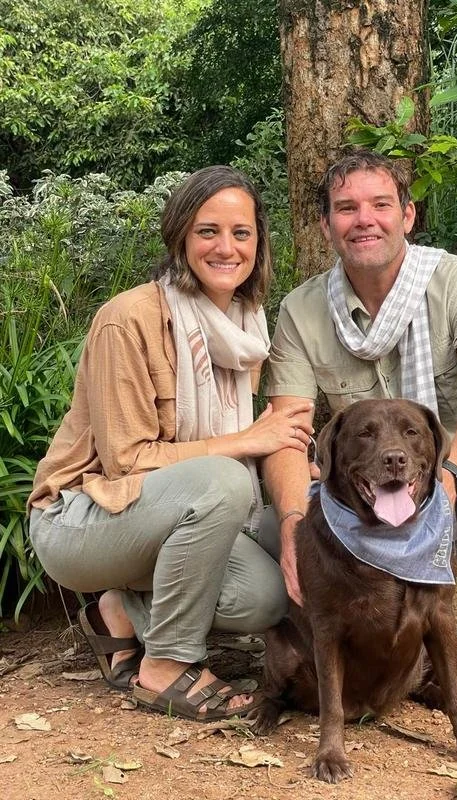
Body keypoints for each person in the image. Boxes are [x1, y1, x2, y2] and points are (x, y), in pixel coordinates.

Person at [262, 149, 457, 731]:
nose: (364, 219)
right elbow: (286, 431)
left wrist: (448, 477)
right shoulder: (302, 310)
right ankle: (351, 666)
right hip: (365, 498)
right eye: (346, 208)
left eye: (380, 204)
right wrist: (293, 520)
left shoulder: (455, 281)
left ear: (408, 214)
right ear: (325, 225)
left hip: (456, 481)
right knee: (266, 515)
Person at [27, 165, 313, 722]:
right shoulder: (129, 319)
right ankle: (165, 666)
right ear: (180, 235)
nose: (226, 247)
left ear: (259, 242)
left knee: (263, 597)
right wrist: (246, 441)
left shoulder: (247, 329)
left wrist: (284, 460)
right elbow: (127, 462)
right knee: (227, 477)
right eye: (208, 231)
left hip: (169, 515)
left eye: (241, 232)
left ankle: (123, 612)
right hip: (82, 520)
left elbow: (254, 446)